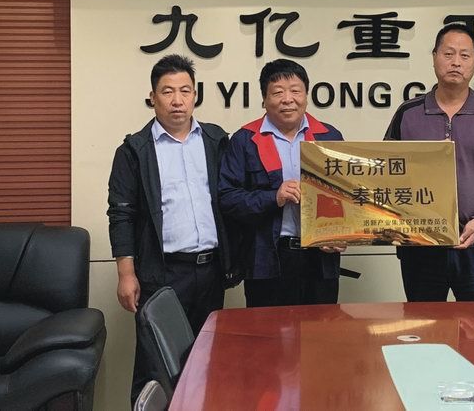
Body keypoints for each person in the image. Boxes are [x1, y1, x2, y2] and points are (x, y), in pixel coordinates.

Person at [107, 54, 233, 406]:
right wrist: (126, 274)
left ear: (195, 95)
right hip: (160, 274)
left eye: (185, 91)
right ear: (152, 97)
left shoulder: (216, 141)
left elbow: (234, 201)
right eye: (167, 92)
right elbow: (121, 214)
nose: (177, 100)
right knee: (156, 367)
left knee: (207, 360)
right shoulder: (134, 150)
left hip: (210, 271)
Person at [384, 23, 474, 301]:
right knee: (424, 324)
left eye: (464, 55)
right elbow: (386, 174)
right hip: (421, 247)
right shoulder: (408, 113)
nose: (456, 62)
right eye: (448, 53)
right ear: (434, 57)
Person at [219, 59, 345, 307]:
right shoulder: (245, 140)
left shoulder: (329, 136)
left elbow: (346, 197)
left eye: (295, 91)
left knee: (321, 328)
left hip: (320, 260)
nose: (288, 99)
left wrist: (342, 234)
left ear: (306, 95)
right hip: (267, 259)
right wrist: (273, 197)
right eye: (278, 92)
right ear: (264, 99)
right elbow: (227, 198)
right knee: (269, 329)